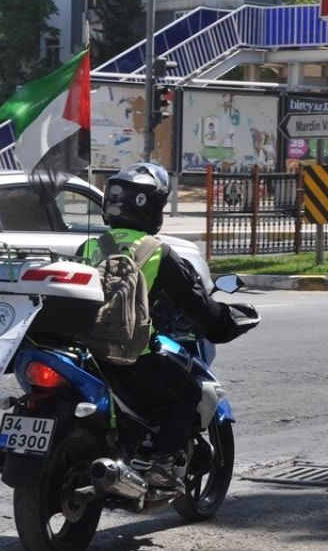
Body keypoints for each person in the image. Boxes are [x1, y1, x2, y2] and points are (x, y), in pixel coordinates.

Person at [78, 163, 238, 488]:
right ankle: (162, 465)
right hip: (130, 357)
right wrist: (225, 322)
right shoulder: (157, 252)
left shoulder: (89, 248)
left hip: (86, 355)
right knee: (186, 392)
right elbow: (197, 306)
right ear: (150, 206)